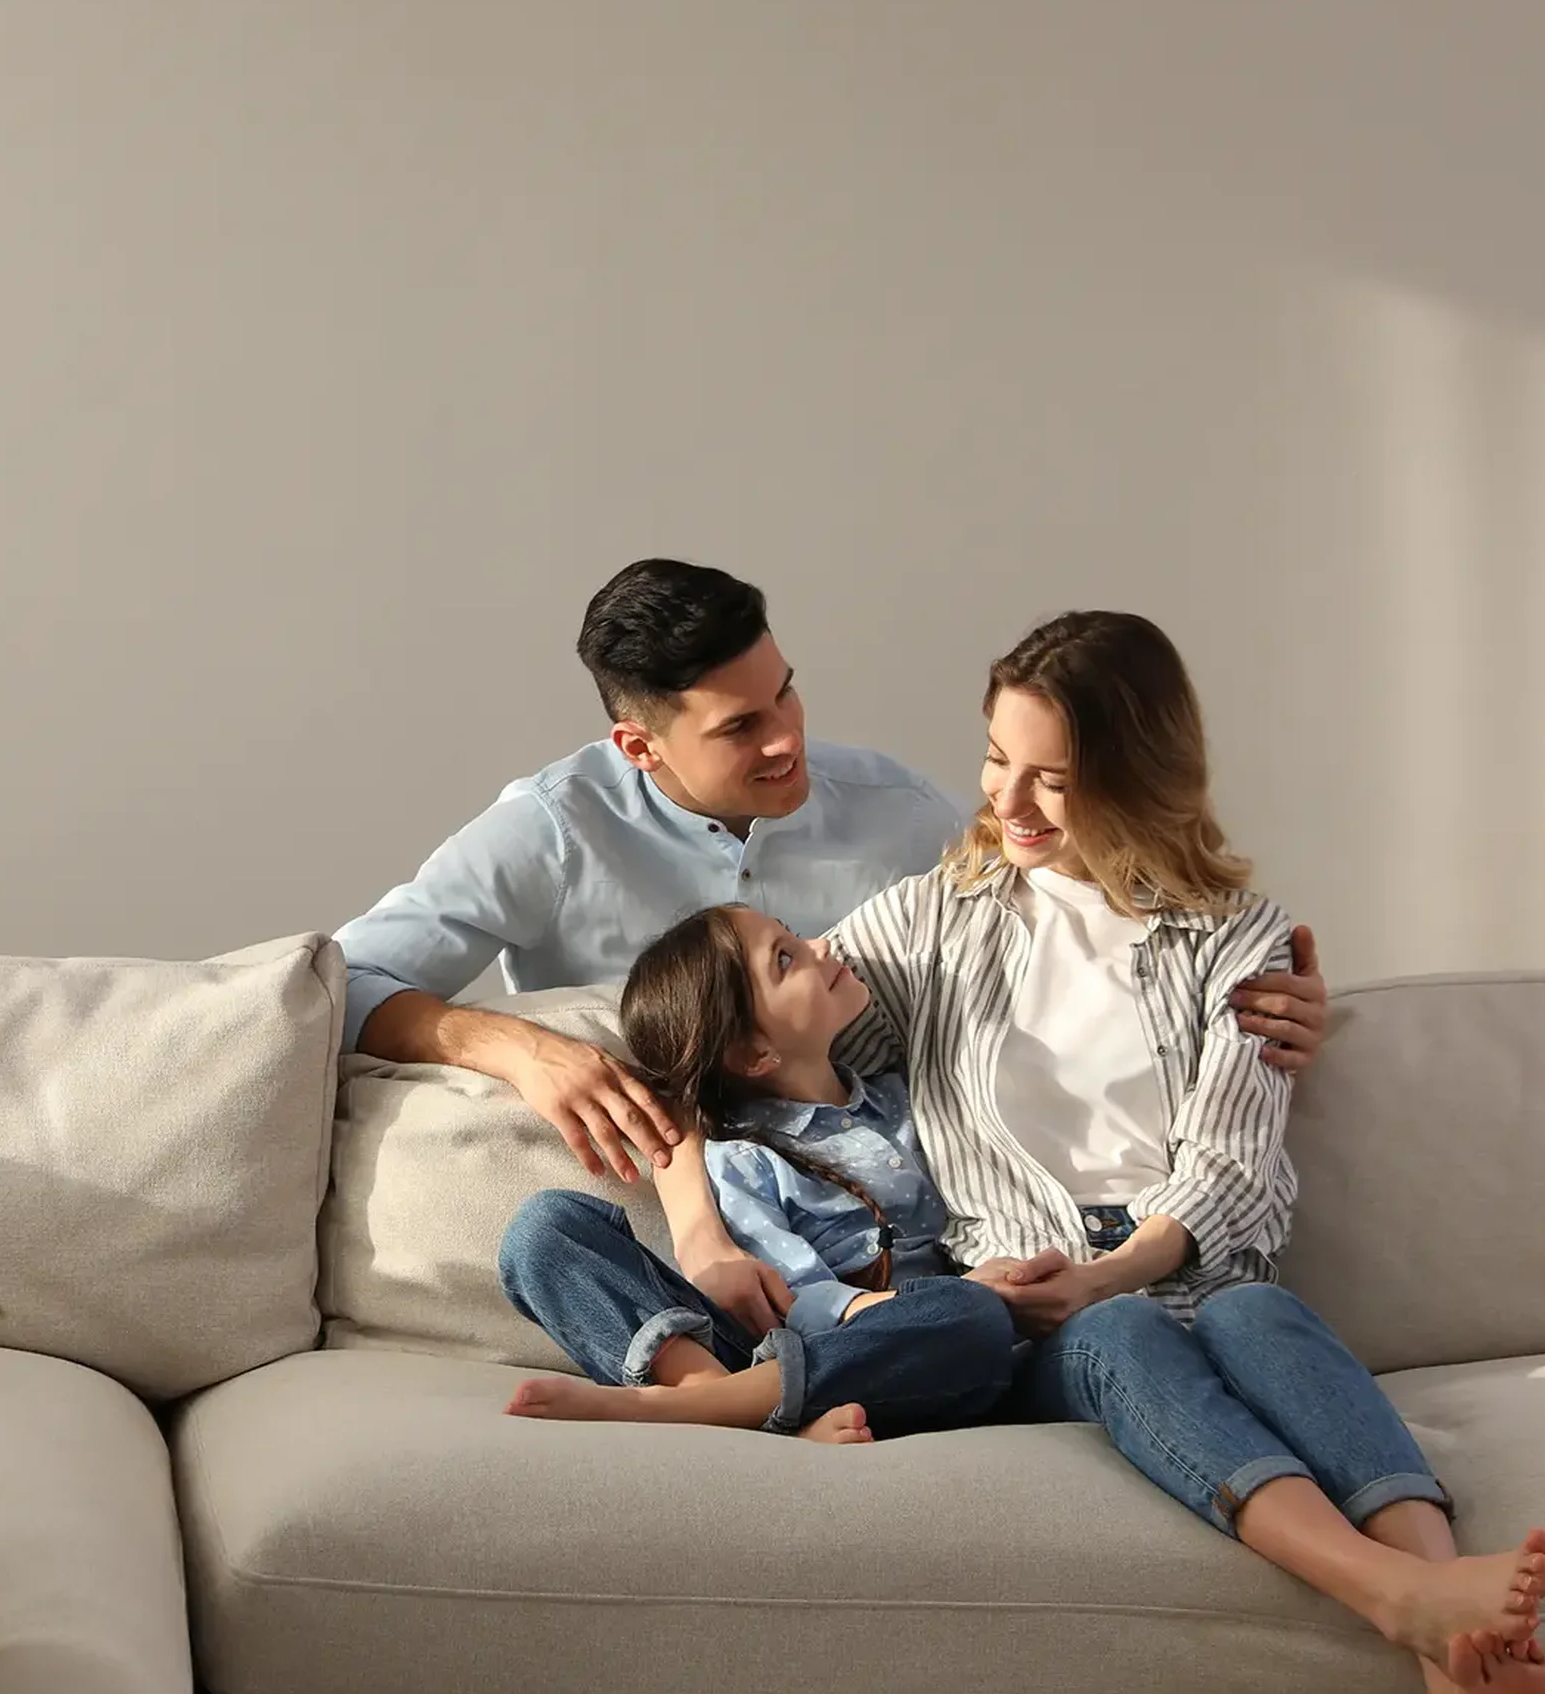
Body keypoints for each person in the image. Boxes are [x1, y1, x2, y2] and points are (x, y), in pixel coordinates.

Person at [798, 608, 1545, 1694]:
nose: (1015, 802)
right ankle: (1398, 1596)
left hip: (1189, 1266)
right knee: (1120, 1332)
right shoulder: (927, 921)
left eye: (1057, 776)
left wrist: (1119, 1265)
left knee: (1256, 1314)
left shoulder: (1238, 939)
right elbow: (751, 1029)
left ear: (1140, 776)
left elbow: (1233, 1162)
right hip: (1038, 1306)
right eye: (999, 759)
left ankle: (1467, 1647)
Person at [335, 560, 1333, 1342]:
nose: (787, 740)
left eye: (786, 695)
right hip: (691, 1209)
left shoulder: (898, 813)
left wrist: (1248, 991)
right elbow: (331, 985)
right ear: (640, 747)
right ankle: (723, 1382)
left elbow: (1065, 930)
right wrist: (520, 1047)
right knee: (552, 1237)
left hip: (898, 1244)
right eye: (741, 727)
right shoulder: (548, 833)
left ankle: (826, 1367)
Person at [495, 904, 1025, 1443]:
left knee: (971, 1316)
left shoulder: (910, 1099)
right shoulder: (745, 1156)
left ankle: (724, 1412)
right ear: (754, 1053)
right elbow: (795, 1304)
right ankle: (716, 1398)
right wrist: (903, 1305)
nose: (822, 946)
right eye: (786, 959)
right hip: (786, 1350)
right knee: (545, 1229)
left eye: (794, 937)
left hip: (900, 1366)